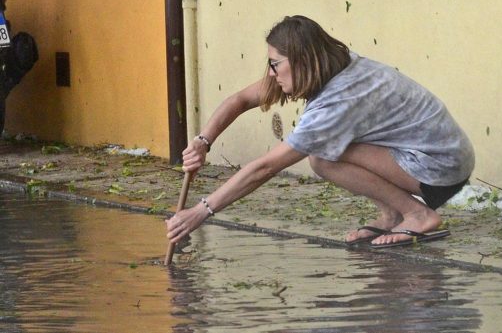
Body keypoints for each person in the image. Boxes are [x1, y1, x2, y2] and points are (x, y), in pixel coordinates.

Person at [166, 15, 475, 249]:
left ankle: (419, 216)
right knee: (333, 146)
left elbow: (265, 168)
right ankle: (394, 215)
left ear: (301, 61)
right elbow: (241, 99)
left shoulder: (337, 101)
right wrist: (202, 141)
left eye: (275, 64)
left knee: (323, 159)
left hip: (440, 166)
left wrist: (200, 212)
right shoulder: (332, 65)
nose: (271, 73)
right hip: (437, 153)